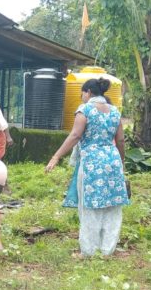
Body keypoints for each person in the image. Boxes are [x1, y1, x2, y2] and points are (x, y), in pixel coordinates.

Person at [45, 78, 129, 257]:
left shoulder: (84, 110)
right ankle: (107, 250)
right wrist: (121, 162)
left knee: (90, 206)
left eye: (82, 93)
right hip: (113, 161)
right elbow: (120, 140)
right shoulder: (114, 111)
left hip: (92, 163)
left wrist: (56, 156)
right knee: (112, 206)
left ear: (88, 92)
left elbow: (75, 135)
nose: (81, 96)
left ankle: (89, 251)